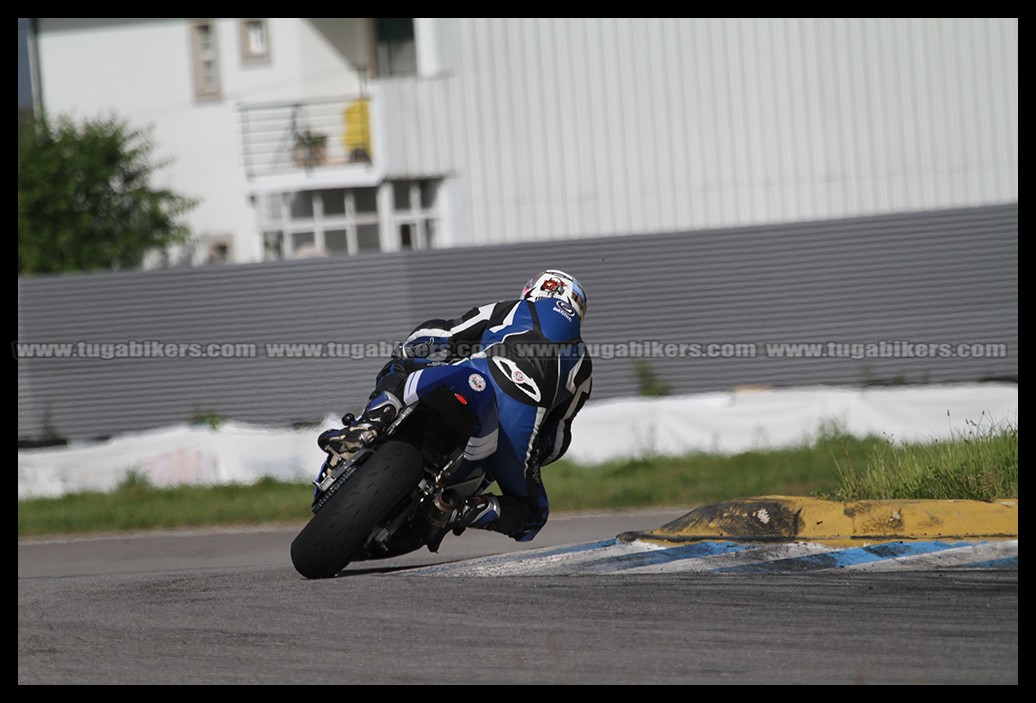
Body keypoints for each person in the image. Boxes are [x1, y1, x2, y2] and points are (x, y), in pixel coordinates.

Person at [318, 269, 593, 543]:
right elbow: (557, 439)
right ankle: (464, 509)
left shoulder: (511, 309)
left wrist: (408, 348)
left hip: (472, 378)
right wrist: (530, 458)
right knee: (533, 514)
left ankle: (370, 424)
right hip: (516, 434)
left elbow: (446, 332)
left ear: (533, 289)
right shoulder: (584, 367)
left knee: (400, 366)